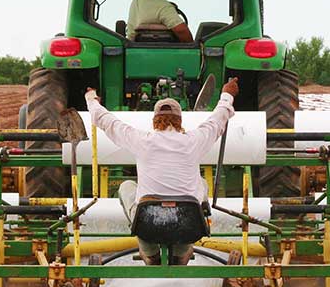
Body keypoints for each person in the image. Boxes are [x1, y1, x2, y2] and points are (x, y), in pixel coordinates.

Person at [82, 77, 239, 263]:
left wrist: (91, 99)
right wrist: (227, 94)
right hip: (188, 222)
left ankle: (150, 253)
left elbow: (107, 121)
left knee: (126, 187)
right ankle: (181, 253)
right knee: (201, 186)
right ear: (180, 121)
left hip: (148, 222)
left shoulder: (142, 141)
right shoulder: (194, 141)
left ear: (155, 121)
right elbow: (219, 118)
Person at [126, 0, 194, 42]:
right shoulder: (162, 6)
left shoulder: (138, 0)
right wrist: (193, 47)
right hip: (164, 50)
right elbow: (181, 31)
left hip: (133, 49)